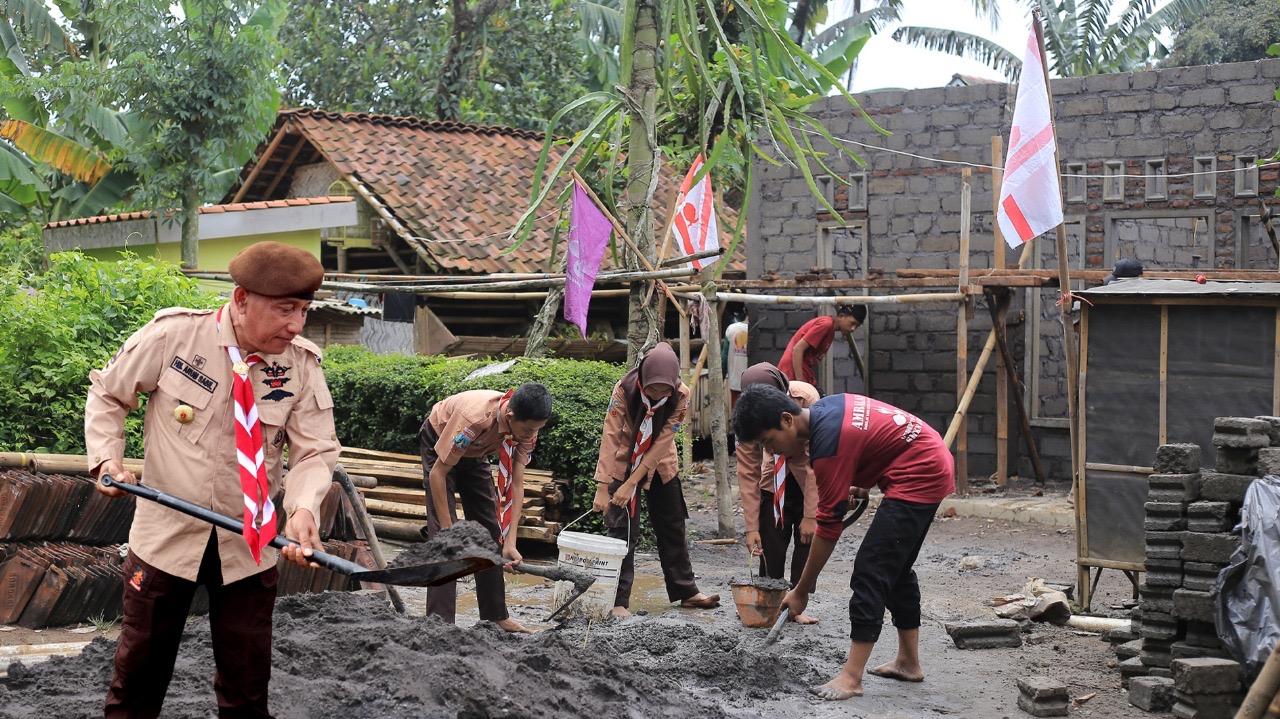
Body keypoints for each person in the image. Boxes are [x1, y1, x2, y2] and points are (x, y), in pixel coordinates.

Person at [85, 241, 341, 718]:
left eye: (304, 311)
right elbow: (108, 394)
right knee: (138, 675)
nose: (296, 325)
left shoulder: (301, 364)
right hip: (166, 537)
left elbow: (316, 450)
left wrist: (304, 506)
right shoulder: (173, 337)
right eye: (285, 309)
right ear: (241, 299)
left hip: (250, 545)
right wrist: (106, 459)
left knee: (247, 685)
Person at [732, 385, 954, 702]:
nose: (776, 452)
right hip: (927, 458)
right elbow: (870, 439)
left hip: (920, 473)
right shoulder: (827, 410)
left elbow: (828, 527)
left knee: (870, 569)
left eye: (770, 442)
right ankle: (908, 662)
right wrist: (860, 482)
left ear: (786, 419)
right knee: (897, 569)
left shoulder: (827, 445)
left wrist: (801, 589)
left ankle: (851, 677)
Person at [592, 342, 720, 618]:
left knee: (672, 525)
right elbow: (611, 434)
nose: (659, 394)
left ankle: (687, 592)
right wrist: (604, 486)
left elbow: (664, 440)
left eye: (665, 389)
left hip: (661, 462)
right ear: (642, 378)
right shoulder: (623, 390)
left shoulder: (681, 395)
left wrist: (633, 483)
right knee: (622, 531)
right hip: (625, 456)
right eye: (653, 389)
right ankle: (618, 601)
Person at [419, 383, 552, 634]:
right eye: (528, 430)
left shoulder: (526, 428)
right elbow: (439, 473)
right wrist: (450, 531)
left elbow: (517, 484)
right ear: (510, 416)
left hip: (476, 451)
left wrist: (510, 542)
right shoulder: (474, 420)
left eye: (536, 430)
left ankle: (495, 615)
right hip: (440, 441)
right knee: (443, 539)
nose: (531, 435)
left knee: (490, 530)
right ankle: (439, 624)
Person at [735, 363, 820, 624]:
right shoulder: (745, 417)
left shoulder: (806, 399)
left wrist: (811, 514)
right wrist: (751, 528)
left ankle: (798, 602)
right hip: (772, 482)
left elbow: (818, 460)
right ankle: (771, 600)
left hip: (806, 480)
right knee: (770, 542)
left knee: (807, 541)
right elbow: (748, 472)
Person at [779, 305, 866, 386]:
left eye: (857, 326)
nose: (853, 329)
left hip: (802, 369)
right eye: (852, 323)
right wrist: (800, 384)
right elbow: (798, 349)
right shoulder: (826, 325)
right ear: (841, 316)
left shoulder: (830, 330)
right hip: (792, 370)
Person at [723, 314, 749, 408]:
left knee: (737, 412)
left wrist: (721, 376)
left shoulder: (732, 329)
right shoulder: (761, 329)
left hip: (736, 381)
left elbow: (724, 357)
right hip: (756, 381)